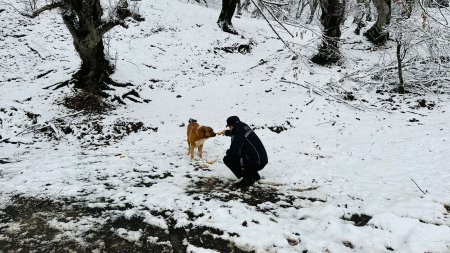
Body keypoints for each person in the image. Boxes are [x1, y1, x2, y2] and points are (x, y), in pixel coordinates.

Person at [218, 116, 268, 188]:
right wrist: (225, 132)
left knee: (228, 159)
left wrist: (228, 152)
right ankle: (254, 175)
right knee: (243, 154)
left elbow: (234, 152)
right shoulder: (244, 126)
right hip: (261, 159)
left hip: (257, 162)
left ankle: (247, 179)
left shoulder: (238, 134)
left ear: (232, 125)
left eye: (229, 126)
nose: (229, 128)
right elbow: (237, 133)